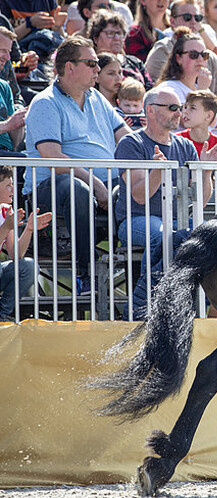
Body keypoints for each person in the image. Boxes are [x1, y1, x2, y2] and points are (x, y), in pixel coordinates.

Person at [24, 36, 132, 293]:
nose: (97, 69)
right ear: (69, 67)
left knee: (134, 189)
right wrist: (95, 184)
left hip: (104, 181)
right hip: (51, 188)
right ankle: (87, 274)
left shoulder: (96, 98)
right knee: (77, 189)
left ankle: (141, 277)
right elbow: (53, 158)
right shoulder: (45, 103)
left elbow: (125, 136)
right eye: (92, 63)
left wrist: (147, 158)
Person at [114, 86, 217, 319]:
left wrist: (205, 172)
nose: (180, 113)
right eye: (174, 108)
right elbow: (139, 196)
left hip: (177, 223)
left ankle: (192, 310)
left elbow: (200, 201)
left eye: (183, 107)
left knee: (208, 239)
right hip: (137, 220)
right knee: (165, 235)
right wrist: (158, 171)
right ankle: (143, 308)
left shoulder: (184, 146)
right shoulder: (131, 143)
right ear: (151, 111)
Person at [0, 165, 52, 321]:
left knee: (28, 266)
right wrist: (6, 227)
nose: (12, 190)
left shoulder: (6, 211)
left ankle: (2, 313)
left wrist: (29, 229)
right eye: (8, 186)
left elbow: (16, 254)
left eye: (12, 185)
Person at [145, 2, 217, 94]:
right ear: (172, 21)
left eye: (198, 18)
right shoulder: (163, 49)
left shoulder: (209, 57)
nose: (194, 22)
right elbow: (156, 92)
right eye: (187, 17)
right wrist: (201, 92)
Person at [88, 9, 153, 90]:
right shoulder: (91, 65)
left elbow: (149, 89)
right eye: (110, 33)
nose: (116, 38)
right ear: (95, 38)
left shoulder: (134, 62)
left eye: (119, 33)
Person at [154, 28, 215, 103]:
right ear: (179, 58)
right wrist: (201, 91)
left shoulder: (204, 88)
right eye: (193, 55)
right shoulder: (168, 89)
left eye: (204, 55)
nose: (200, 59)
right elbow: (185, 114)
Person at [0, 26, 26, 156]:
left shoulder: (4, 87)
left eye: (9, 51)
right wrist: (7, 125)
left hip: (8, 154)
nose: (7, 57)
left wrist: (19, 122)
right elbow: (7, 125)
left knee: (26, 159)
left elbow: (15, 143)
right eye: (2, 51)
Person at [178, 89, 217, 155]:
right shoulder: (176, 141)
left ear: (208, 116)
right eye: (185, 107)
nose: (185, 111)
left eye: (192, 108)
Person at [66, 0, 133, 36]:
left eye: (110, 6)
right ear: (86, 12)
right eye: (102, 6)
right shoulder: (78, 40)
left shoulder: (116, 38)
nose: (107, 9)